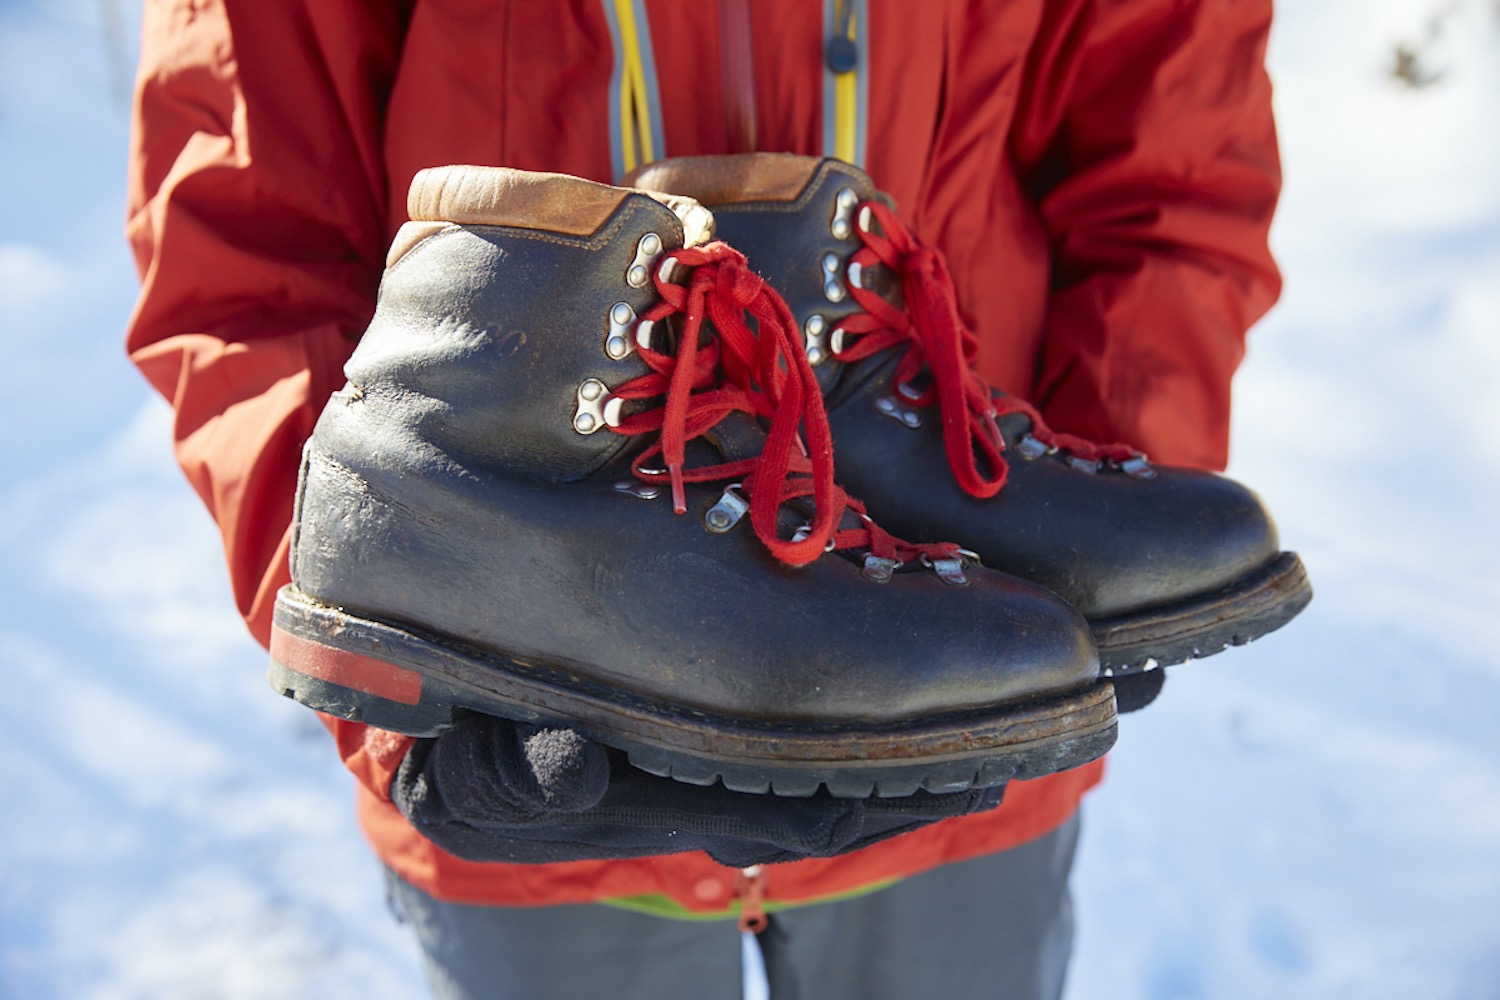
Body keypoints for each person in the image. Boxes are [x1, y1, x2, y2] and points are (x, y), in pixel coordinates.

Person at [124, 2, 1284, 997]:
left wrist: (1072, 576)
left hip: (952, 687)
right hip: (536, 747)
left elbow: (1169, 167)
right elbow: (244, 253)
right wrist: (412, 672)